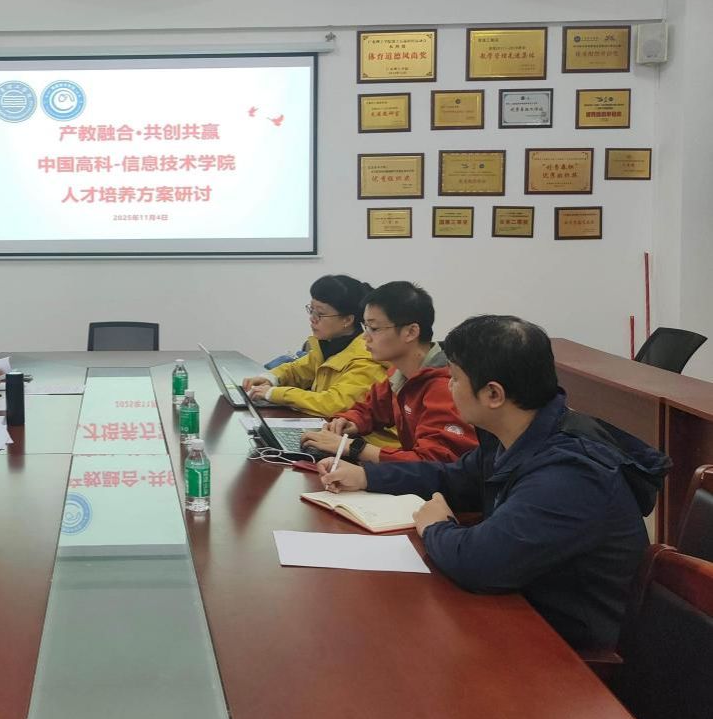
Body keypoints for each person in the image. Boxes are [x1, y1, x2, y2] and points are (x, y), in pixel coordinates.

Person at [318, 315, 671, 650]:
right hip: (521, 609)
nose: (448, 387)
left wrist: (436, 527)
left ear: (493, 394)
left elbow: (479, 563)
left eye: (455, 378)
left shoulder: (570, 474)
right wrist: (366, 475)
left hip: (569, 649)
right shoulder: (516, 434)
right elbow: (451, 478)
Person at [299, 281, 477, 463]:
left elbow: (431, 463)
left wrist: (351, 447)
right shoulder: (401, 373)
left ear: (411, 332)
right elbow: (371, 410)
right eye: (365, 327)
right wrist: (349, 422)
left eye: (374, 328)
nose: (365, 337)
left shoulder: (446, 386)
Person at [243, 275, 386, 417]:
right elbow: (297, 370)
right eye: (311, 310)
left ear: (347, 320)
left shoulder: (367, 358)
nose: (312, 319)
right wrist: (271, 378)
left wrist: (274, 394)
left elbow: (334, 404)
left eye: (320, 314)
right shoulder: (328, 346)